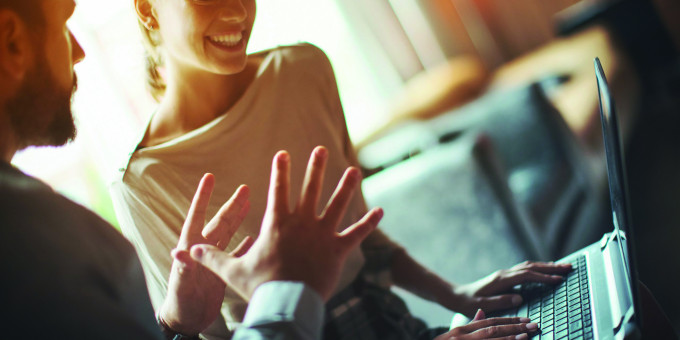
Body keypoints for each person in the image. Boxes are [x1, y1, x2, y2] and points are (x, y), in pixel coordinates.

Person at [110, 0, 573, 339]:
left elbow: (362, 239)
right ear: (147, 10)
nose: (236, 12)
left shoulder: (304, 70)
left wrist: (457, 294)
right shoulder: (143, 181)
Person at [0, 0, 383, 338]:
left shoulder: (302, 67)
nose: (80, 52)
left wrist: (173, 324)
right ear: (11, 40)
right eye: (65, 22)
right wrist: (287, 293)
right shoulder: (46, 243)